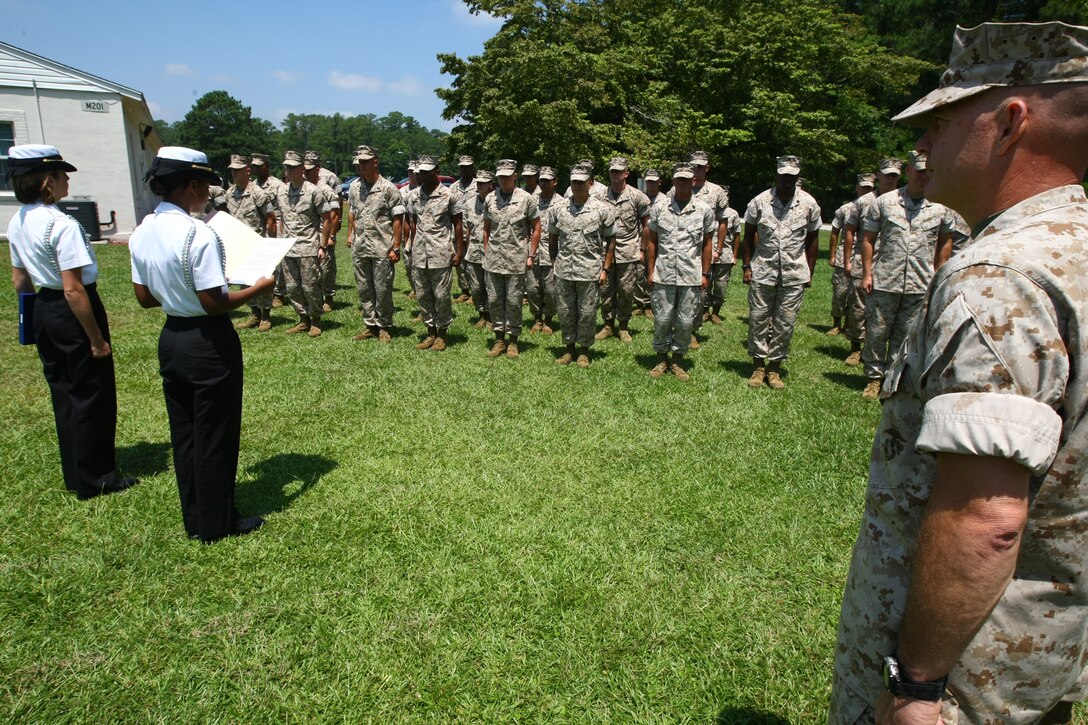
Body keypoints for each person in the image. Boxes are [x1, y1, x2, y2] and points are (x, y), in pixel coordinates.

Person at [830, 21, 1088, 724]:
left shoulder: (1000, 275)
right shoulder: (1073, 249)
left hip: (966, 675)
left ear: (1010, 122)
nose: (922, 144)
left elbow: (987, 518)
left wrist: (915, 685)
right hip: (1038, 657)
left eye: (942, 120)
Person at [129, 147, 274, 542]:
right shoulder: (198, 233)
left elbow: (144, 298)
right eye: (205, 186)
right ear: (191, 185)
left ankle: (195, 515)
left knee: (187, 433)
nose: (208, 195)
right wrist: (259, 288)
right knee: (216, 433)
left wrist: (175, 290)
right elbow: (214, 304)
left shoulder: (143, 230)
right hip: (208, 342)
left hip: (172, 337)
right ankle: (218, 522)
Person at [7, 144, 137, 501]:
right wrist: (95, 337)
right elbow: (74, 289)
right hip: (72, 310)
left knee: (63, 391)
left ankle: (76, 470)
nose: (67, 181)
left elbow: (20, 279)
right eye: (62, 175)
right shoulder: (61, 224)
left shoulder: (17, 221)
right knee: (91, 393)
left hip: (44, 308)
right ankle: (97, 477)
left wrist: (30, 319)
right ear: (47, 181)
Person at [858, 151, 954, 400]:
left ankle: (893, 378)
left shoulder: (941, 206)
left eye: (928, 171)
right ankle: (873, 378)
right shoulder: (885, 203)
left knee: (906, 336)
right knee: (877, 332)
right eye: (919, 170)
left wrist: (939, 272)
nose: (924, 176)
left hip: (920, 282)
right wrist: (867, 273)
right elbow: (867, 239)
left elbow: (945, 242)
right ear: (909, 171)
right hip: (885, 280)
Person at [741, 155, 821, 390]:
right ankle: (758, 366)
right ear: (776, 175)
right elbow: (748, 236)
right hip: (762, 271)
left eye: (792, 177)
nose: (787, 180)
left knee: (785, 322)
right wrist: (747, 267)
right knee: (758, 318)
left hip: (794, 273)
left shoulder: (809, 203)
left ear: (797, 177)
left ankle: (774, 368)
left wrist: (810, 272)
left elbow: (813, 240)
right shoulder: (760, 202)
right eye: (784, 176)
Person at [644, 163, 714, 381]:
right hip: (663, 273)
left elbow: (707, 245)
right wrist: (650, 270)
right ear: (673, 181)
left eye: (686, 179)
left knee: (685, 321)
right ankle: (661, 358)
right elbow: (652, 242)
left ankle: (678, 360)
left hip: (690, 275)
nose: (682, 183)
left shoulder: (704, 210)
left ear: (693, 182)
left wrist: (705, 273)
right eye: (678, 179)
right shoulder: (659, 208)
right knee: (663, 319)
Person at [548, 164, 616, 367]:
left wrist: (605, 269)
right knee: (566, 312)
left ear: (590, 183)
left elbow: (611, 241)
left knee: (587, 313)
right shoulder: (558, 209)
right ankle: (569, 350)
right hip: (564, 271)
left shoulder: (602, 210)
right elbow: (552, 239)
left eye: (581, 182)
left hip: (589, 271)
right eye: (574, 182)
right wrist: (554, 264)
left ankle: (584, 351)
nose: (577, 185)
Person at [842, 159, 901, 366]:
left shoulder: (903, 200)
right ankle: (856, 349)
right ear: (878, 176)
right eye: (887, 174)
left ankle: (879, 352)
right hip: (861, 260)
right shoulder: (864, 202)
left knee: (884, 313)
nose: (891, 178)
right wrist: (847, 260)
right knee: (858, 308)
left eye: (894, 175)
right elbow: (849, 230)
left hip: (891, 265)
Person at [345, 145, 405, 343]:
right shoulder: (354, 187)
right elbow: (353, 213)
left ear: (375, 162)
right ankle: (370, 325)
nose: (361, 166)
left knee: (383, 288)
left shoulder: (388, 188)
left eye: (365, 162)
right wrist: (351, 235)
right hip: (361, 246)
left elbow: (398, 219)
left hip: (382, 247)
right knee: (364, 288)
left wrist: (396, 247)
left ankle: (384, 326)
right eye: (359, 162)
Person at [482, 159, 540, 358]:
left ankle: (513, 340)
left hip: (516, 259)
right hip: (494, 261)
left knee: (514, 301)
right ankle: (499, 340)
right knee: (495, 300)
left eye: (507, 176)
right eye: (500, 177)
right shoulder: (490, 198)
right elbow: (486, 227)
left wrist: (531, 254)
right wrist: (486, 249)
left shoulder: (526, 199)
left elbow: (536, 226)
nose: (504, 180)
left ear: (515, 176)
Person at [275, 150, 337, 337]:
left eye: (293, 167)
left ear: (302, 168)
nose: (289, 171)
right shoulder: (281, 191)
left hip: (308, 246)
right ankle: (303, 319)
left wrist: (322, 244)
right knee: (293, 288)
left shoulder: (313, 191)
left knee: (311, 286)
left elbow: (327, 218)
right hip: (289, 247)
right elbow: (281, 217)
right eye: (287, 167)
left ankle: (316, 320)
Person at [406, 154, 464, 351]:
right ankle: (430, 332)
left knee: (441, 295)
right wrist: (412, 248)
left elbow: (458, 224)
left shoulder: (449, 195)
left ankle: (442, 334)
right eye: (420, 172)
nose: (422, 175)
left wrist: (459, 251)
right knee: (423, 295)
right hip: (420, 254)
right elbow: (413, 223)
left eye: (426, 172)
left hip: (441, 252)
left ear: (436, 172)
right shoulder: (413, 195)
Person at [595, 156, 650, 344]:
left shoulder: (637, 196)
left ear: (626, 173)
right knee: (606, 289)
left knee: (626, 290)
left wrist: (642, 249)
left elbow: (647, 225)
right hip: (604, 251)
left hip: (628, 250)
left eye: (618, 172)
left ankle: (624, 325)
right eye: (612, 171)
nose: (615, 175)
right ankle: (608, 324)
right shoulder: (599, 196)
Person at [224, 154, 276, 332]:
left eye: (237, 170)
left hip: (257, 244)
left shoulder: (257, 193)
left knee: (260, 282)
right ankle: (254, 314)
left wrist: (270, 243)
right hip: (239, 245)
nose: (234, 174)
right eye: (232, 171)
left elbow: (270, 218)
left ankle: (266, 317)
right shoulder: (230, 193)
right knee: (245, 282)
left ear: (247, 171)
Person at [827, 175, 873, 337]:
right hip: (843, 256)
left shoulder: (876, 207)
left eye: (869, 187)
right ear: (857, 188)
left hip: (863, 259)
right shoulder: (844, 209)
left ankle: (850, 324)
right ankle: (836, 323)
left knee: (858, 297)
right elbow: (834, 233)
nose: (866, 190)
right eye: (863, 187)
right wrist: (832, 255)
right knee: (840, 293)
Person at [303, 151, 342, 313]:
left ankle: (328, 297)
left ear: (317, 168)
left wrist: (332, 235)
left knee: (326, 268)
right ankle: (313, 297)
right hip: (309, 233)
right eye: (304, 169)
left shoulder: (325, 187)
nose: (306, 173)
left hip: (323, 231)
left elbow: (335, 212)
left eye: (309, 170)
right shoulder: (303, 186)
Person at [526, 166, 560, 334]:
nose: (544, 183)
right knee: (532, 288)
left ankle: (548, 319)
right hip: (532, 252)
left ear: (555, 182)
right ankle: (537, 318)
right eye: (541, 180)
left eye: (547, 180)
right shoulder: (530, 200)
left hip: (553, 253)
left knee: (551, 289)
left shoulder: (562, 203)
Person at [462, 170, 494, 329]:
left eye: (483, 183)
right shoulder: (469, 204)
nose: (479, 185)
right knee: (476, 287)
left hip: (492, 252)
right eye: (478, 182)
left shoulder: (496, 202)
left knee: (491, 287)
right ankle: (482, 315)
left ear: (490, 185)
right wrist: (467, 248)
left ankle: (492, 317)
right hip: (474, 251)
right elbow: (468, 229)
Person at [707, 194, 741, 326]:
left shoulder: (733, 214)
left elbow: (737, 236)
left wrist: (735, 255)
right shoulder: (706, 210)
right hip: (707, 255)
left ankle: (715, 312)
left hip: (725, 255)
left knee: (721, 286)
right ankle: (704, 311)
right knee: (706, 285)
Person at [451, 155, 477, 304]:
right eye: (462, 167)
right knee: (460, 263)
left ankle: (476, 292)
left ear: (472, 167)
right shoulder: (453, 187)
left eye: (467, 166)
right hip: (458, 230)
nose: (464, 169)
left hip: (474, 229)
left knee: (474, 264)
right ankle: (464, 291)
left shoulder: (479, 185)